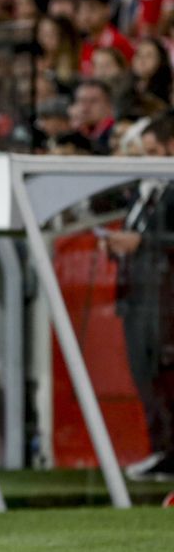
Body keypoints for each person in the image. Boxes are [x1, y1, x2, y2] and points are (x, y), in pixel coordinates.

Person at [105, 117, 174, 481]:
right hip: (138, 297)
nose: (144, 160)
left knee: (166, 378)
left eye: (150, 152)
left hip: (165, 300)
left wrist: (143, 243)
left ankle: (169, 453)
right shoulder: (144, 190)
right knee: (146, 377)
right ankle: (161, 450)